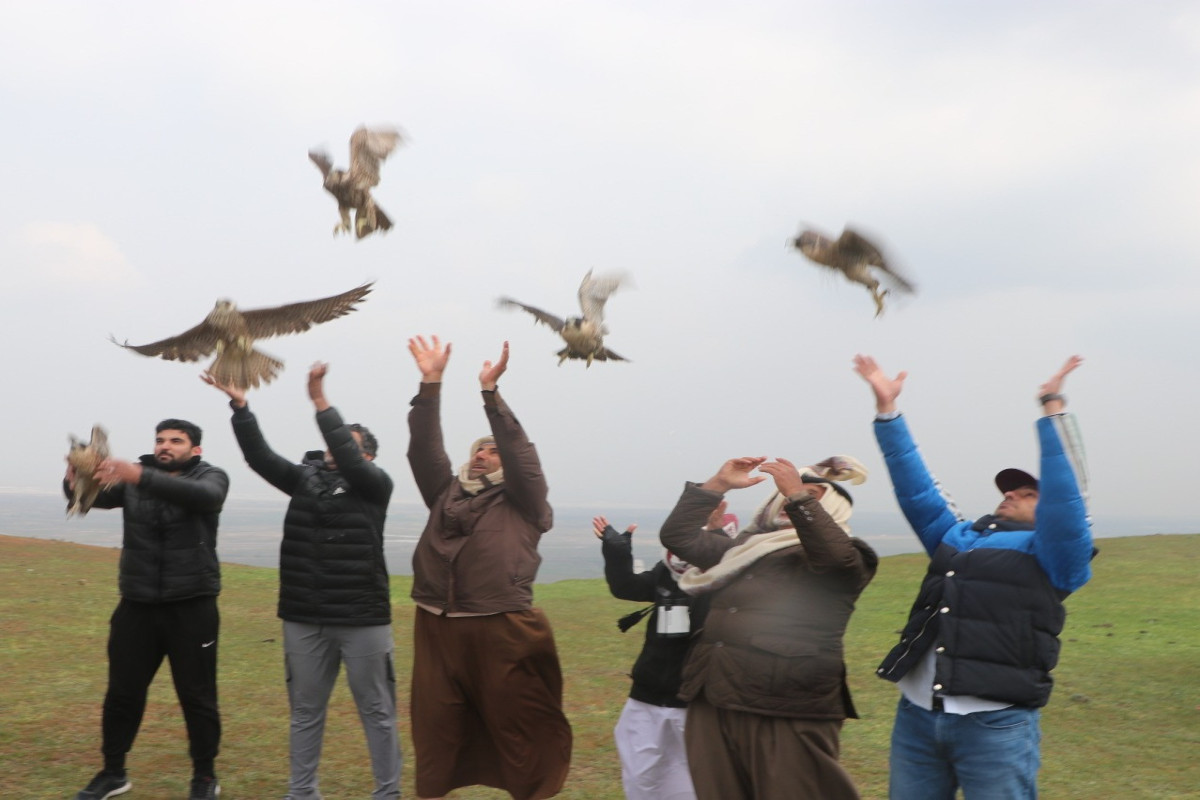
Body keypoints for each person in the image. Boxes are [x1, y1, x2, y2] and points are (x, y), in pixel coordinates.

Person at [852, 354, 1093, 800]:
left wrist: (1052, 408)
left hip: (995, 725)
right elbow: (916, 489)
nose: (1010, 494)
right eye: (1008, 489)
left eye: (1027, 493)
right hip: (918, 716)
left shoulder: (1057, 555)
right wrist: (888, 412)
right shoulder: (959, 537)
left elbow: (1067, 501)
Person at [203, 363, 400, 800]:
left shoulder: (375, 484)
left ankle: (388, 793)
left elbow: (347, 457)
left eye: (346, 446)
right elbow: (259, 458)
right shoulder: (304, 480)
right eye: (331, 444)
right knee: (305, 712)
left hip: (362, 616)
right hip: (303, 616)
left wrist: (319, 402)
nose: (334, 451)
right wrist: (241, 407)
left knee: (377, 712)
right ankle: (302, 793)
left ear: (366, 455)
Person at [405, 335, 572, 800]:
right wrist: (431, 382)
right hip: (437, 622)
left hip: (501, 621)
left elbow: (521, 455)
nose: (482, 455)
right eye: (478, 450)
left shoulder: (524, 498)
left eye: (491, 450)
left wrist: (490, 394)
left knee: (518, 720)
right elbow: (423, 448)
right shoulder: (445, 492)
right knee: (438, 722)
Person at [658, 454, 878, 800]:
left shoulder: (850, 556)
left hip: (785, 702)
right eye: (785, 496)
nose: (789, 502)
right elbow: (679, 537)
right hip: (713, 694)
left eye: (811, 496)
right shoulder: (745, 551)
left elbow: (833, 557)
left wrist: (796, 493)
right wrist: (717, 484)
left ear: (832, 510)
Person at [65, 419, 229, 800]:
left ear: (195, 449)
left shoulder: (211, 477)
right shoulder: (135, 479)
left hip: (192, 607)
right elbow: (95, 497)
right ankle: (112, 772)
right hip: (136, 604)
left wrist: (137, 475)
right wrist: (75, 476)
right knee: (122, 693)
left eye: (175, 440)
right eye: (160, 440)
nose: (165, 446)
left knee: (197, 696)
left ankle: (204, 776)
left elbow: (204, 497)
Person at [593, 505, 734, 800]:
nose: (686, 549)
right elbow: (626, 587)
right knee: (641, 771)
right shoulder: (668, 572)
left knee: (693, 773)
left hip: (699, 696)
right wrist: (617, 553)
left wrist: (715, 533)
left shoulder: (734, 575)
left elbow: (722, 572)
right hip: (650, 690)